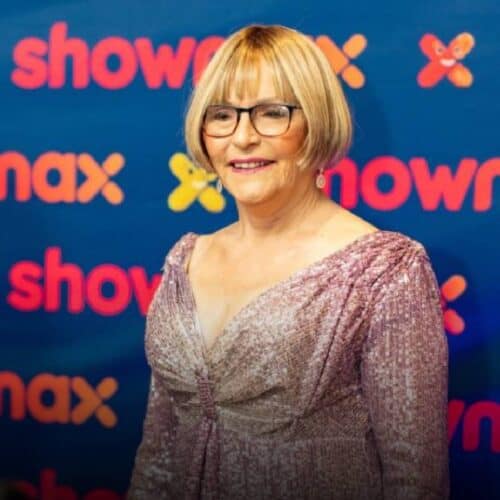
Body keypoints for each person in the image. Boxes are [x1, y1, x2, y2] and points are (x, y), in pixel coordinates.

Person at [127, 24, 449, 500]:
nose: (242, 138)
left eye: (272, 113)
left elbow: (415, 481)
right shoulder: (184, 260)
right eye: (222, 115)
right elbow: (158, 453)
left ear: (315, 122)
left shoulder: (386, 271)